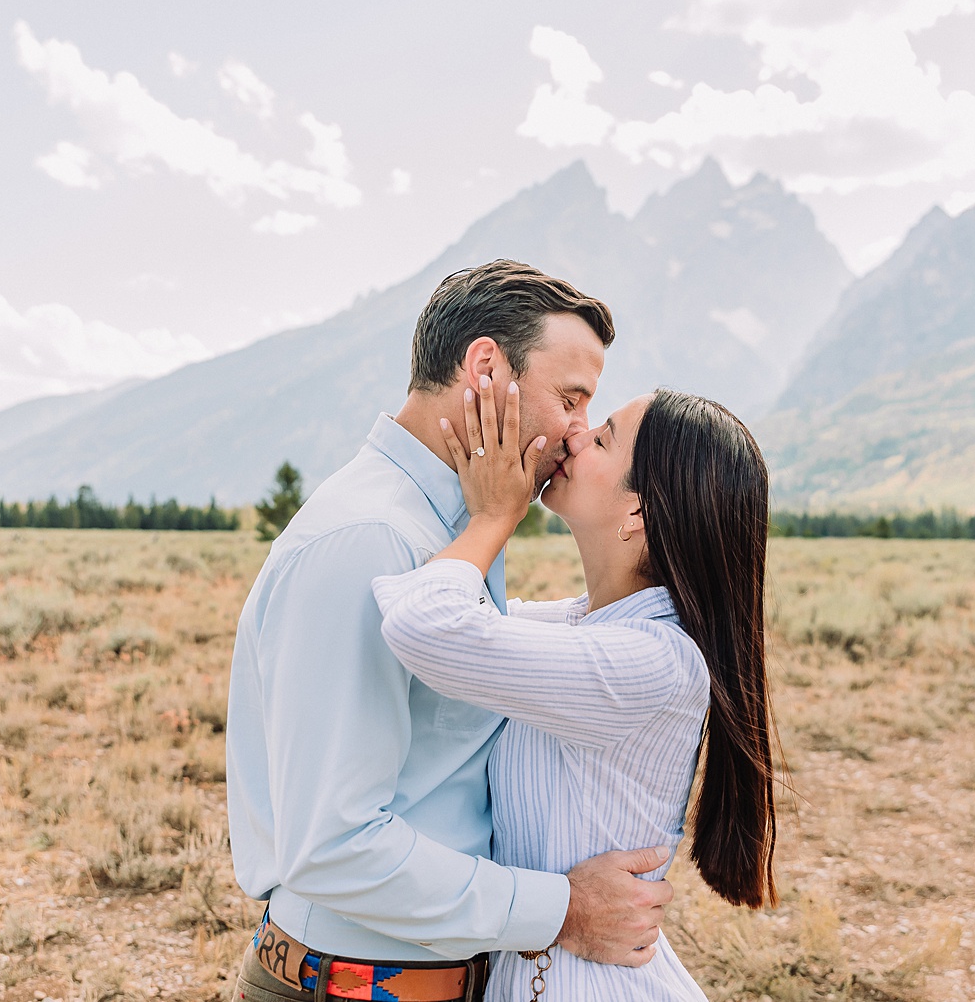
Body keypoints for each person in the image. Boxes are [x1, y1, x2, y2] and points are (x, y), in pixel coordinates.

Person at [227, 260, 676, 1002]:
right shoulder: (373, 540)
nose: (574, 435)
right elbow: (334, 846)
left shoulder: (447, 531)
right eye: (571, 399)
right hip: (355, 988)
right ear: (487, 369)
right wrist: (562, 911)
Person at [372, 385, 778, 1000]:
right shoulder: (585, 628)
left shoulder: (650, 662)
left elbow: (426, 625)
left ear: (639, 511)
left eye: (603, 438)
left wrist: (493, 517)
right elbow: (455, 617)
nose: (575, 435)